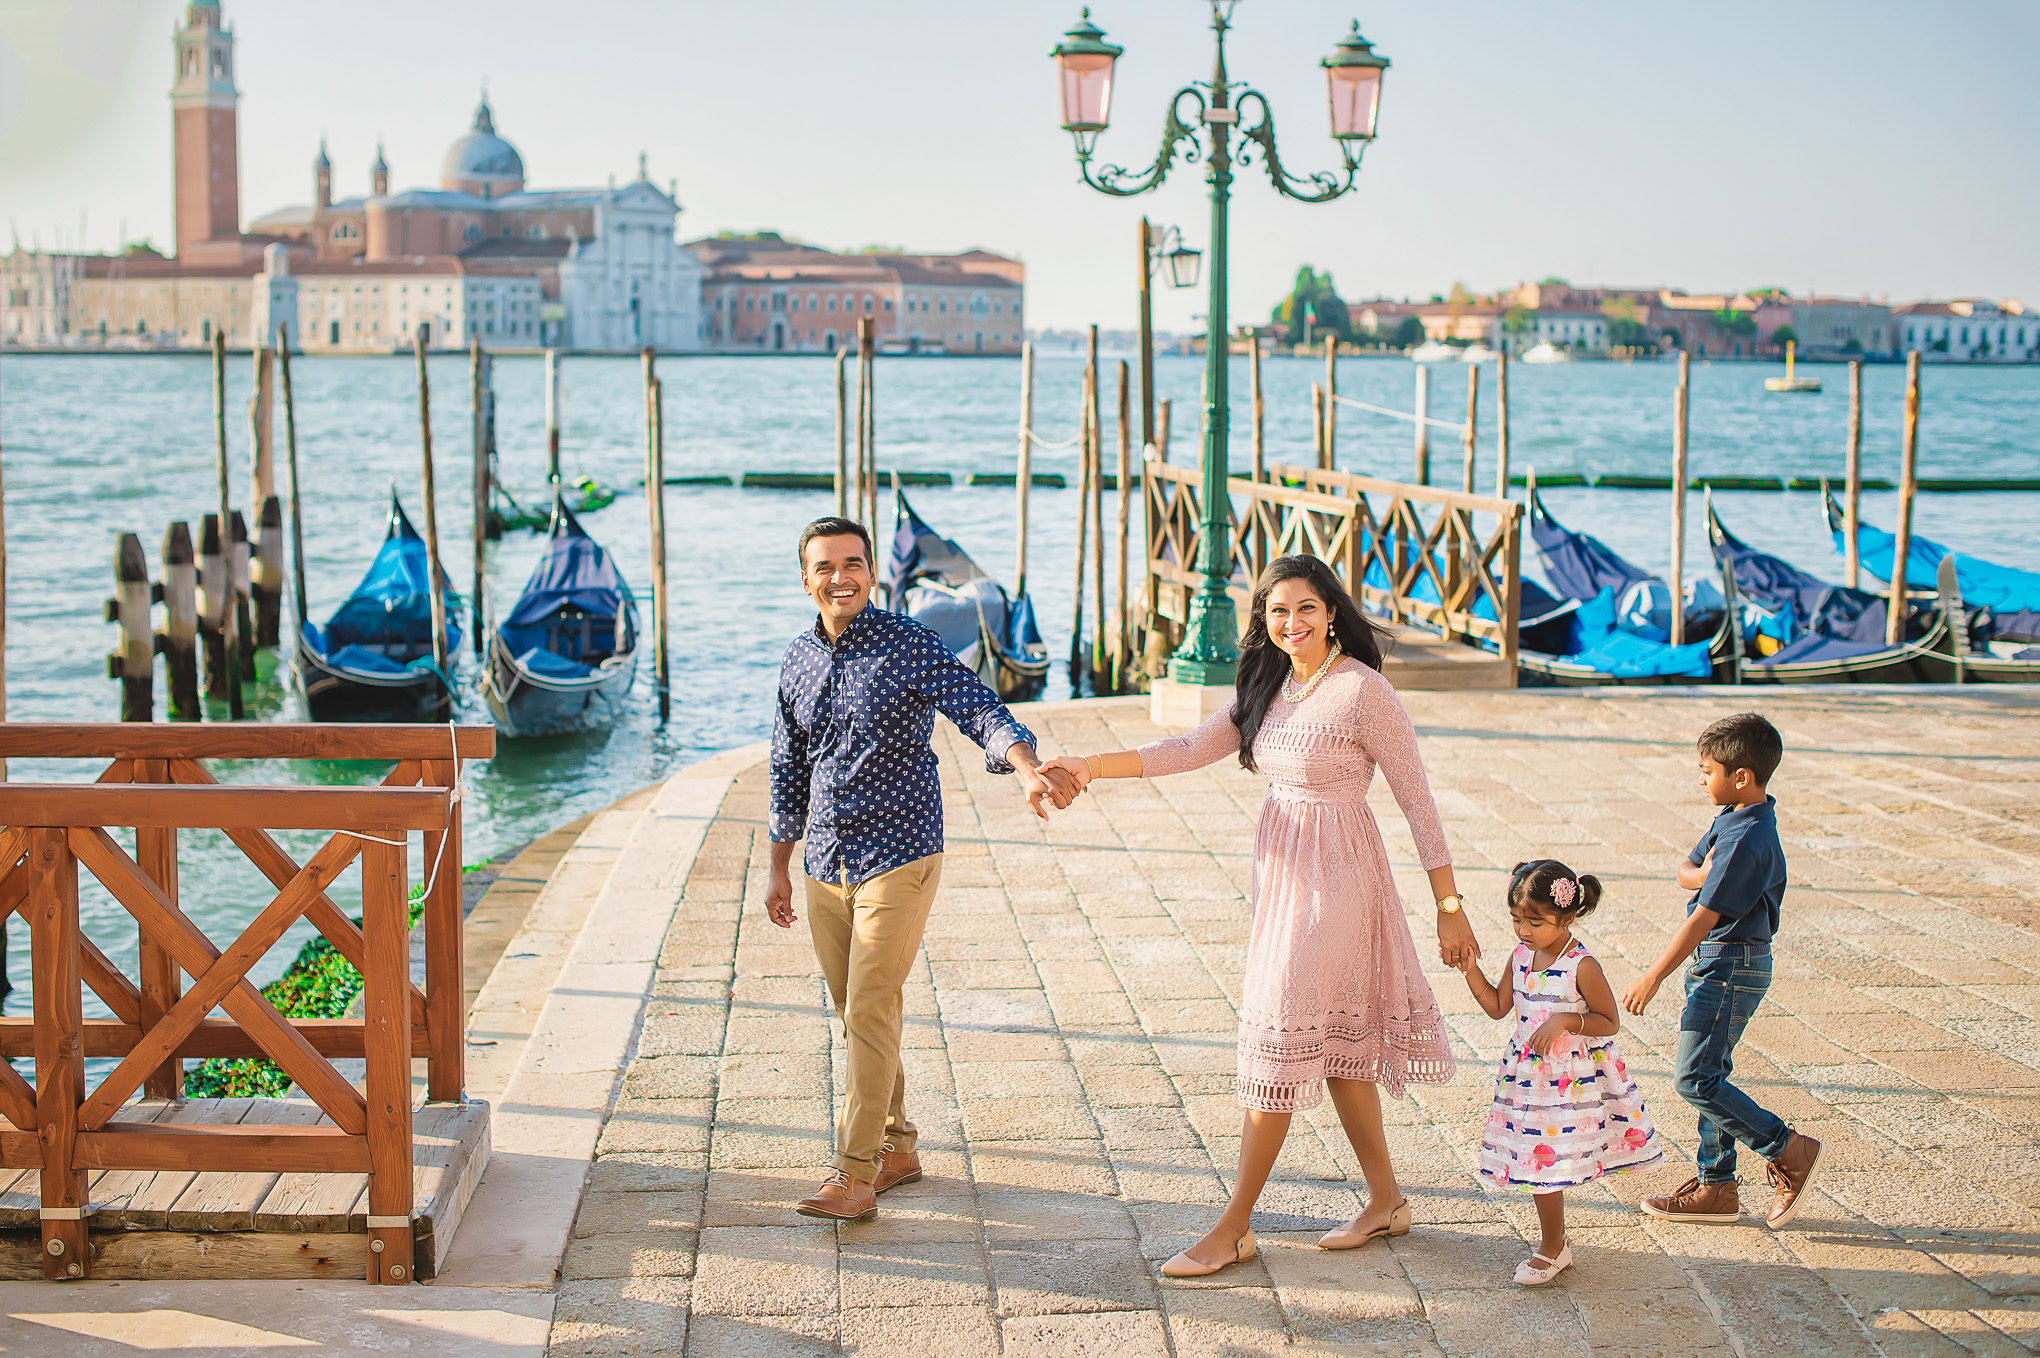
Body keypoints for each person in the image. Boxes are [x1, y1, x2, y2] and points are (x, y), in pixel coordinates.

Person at [1046, 554, 1480, 1278]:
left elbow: (1417, 801)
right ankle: (1386, 1201)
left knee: (1277, 1037)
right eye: (1278, 612)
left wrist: (1449, 908)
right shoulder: (1269, 682)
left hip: (1341, 879)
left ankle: (1234, 1225)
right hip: (1284, 878)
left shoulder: (1364, 692)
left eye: (1306, 609)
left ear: (1332, 611)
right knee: (1334, 1042)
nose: (1292, 623)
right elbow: (1187, 749)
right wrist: (1090, 765)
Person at [767, 516, 1078, 1223]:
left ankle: (854, 1173)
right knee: (856, 1010)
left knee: (870, 1003)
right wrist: (777, 866)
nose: (839, 577)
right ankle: (899, 1146)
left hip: (902, 852)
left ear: (873, 573)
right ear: (806, 578)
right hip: (823, 859)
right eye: (824, 566)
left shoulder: (910, 644)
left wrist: (1027, 766)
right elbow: (787, 766)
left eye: (852, 564)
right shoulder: (795, 660)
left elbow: (980, 710)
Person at [1621, 712, 1823, 1228]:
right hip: (1718, 961)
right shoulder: (1732, 818)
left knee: (1695, 1079)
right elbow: (1684, 870)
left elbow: (1704, 917)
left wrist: (1653, 976)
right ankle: (1716, 1186)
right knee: (1711, 1074)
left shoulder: (1747, 838)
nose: (1700, 778)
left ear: (1742, 776)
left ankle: (1787, 1149)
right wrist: (1702, 873)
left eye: (1706, 769)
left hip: (1731, 963)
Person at [1459, 860, 1663, 1286]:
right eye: (1517, 920)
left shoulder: (1581, 965)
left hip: (1572, 1082)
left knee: (1547, 1159)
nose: (1523, 930)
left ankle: (1553, 1246)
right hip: (1529, 1081)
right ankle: (1554, 1243)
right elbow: (1498, 1007)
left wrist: (1567, 1021)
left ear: (1567, 917)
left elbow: (1609, 1021)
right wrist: (1468, 969)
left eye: (1535, 921)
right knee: (1536, 1160)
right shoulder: (1519, 957)